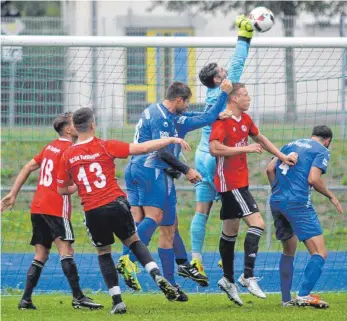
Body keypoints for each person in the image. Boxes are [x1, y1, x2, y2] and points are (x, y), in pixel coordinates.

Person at [57, 107, 190, 314]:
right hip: (115, 203)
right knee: (134, 242)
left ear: (74, 127)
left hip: (92, 210)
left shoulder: (67, 155)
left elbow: (62, 189)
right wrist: (170, 140)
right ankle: (156, 274)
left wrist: (78, 186)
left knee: (104, 252)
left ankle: (117, 300)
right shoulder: (105, 146)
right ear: (93, 125)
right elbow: (144, 148)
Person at [118, 79, 233, 298]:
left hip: (141, 169)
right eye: (187, 103)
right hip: (151, 168)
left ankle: (173, 279)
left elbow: (202, 117)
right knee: (156, 217)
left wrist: (218, 111)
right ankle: (128, 259)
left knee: (169, 224)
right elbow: (161, 151)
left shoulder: (163, 112)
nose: (188, 107)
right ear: (178, 100)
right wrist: (187, 170)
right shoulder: (163, 120)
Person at [1, 112, 102, 310]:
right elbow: (71, 184)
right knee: (67, 251)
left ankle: (26, 299)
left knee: (41, 254)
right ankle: (79, 298)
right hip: (56, 207)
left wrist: (13, 193)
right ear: (67, 129)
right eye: (74, 123)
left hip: (38, 207)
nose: (77, 126)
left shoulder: (49, 147)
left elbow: (28, 167)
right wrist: (77, 188)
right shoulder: (70, 150)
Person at [209, 83, 297, 305]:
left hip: (239, 182)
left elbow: (261, 139)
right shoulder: (222, 120)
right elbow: (214, 148)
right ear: (234, 99)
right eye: (246, 95)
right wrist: (244, 149)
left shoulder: (245, 120)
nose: (249, 99)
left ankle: (228, 279)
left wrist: (281, 155)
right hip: (230, 183)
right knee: (257, 224)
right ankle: (247, 276)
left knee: (230, 231)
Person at [190, 15, 254, 277]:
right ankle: (224, 257)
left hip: (201, 154)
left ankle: (196, 259)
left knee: (202, 210)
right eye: (220, 71)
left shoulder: (211, 94)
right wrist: (245, 36)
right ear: (217, 80)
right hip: (216, 157)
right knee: (233, 208)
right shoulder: (225, 90)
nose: (225, 71)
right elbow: (238, 61)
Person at [266, 125, 344, 308]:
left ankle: (286, 300)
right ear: (328, 141)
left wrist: (277, 191)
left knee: (288, 251)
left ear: (312, 135)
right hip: (298, 203)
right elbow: (313, 179)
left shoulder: (289, 145)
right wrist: (332, 196)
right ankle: (304, 295)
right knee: (320, 252)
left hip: (277, 201)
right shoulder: (322, 150)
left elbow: (270, 169)